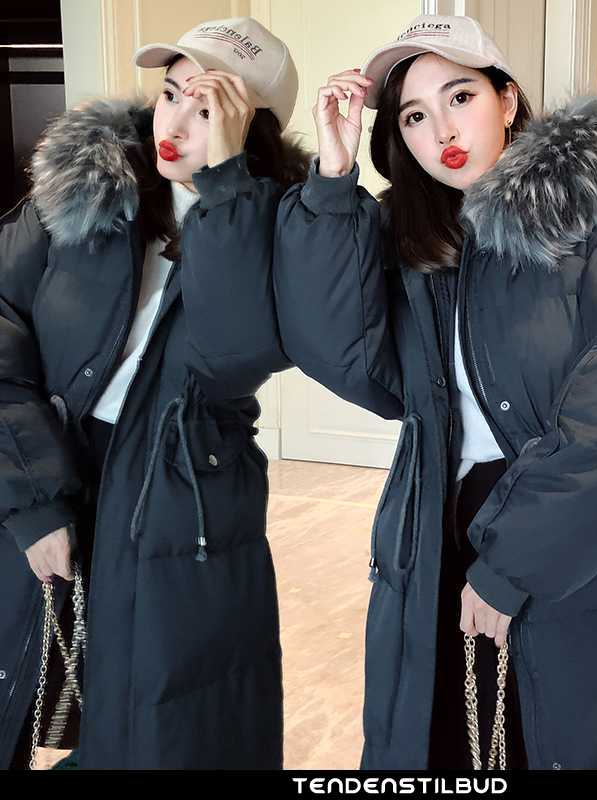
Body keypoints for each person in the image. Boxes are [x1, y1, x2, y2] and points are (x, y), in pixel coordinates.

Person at [273, 14, 597, 769]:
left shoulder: (593, 231)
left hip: (584, 530)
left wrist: (515, 564)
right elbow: (341, 355)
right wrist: (333, 181)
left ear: (507, 100)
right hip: (448, 524)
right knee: (458, 741)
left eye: (460, 97)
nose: (442, 129)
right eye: (414, 116)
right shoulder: (418, 250)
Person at [0, 16, 307, 768]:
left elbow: (236, 357)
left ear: (250, 128)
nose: (172, 123)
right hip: (41, 455)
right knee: (18, 680)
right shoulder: (83, 193)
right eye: (170, 94)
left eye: (208, 108)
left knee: (154, 721)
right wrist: (35, 501)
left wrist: (227, 190)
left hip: (182, 491)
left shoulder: (273, 229)